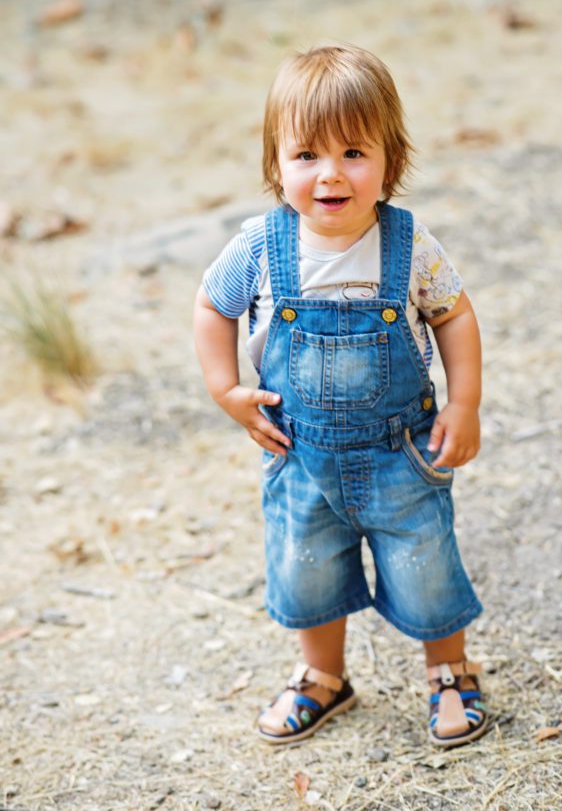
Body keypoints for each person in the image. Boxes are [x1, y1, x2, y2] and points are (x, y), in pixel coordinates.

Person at [194, 44, 487, 748]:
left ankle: (449, 670)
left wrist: (464, 402)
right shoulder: (261, 247)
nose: (330, 174)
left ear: (392, 160)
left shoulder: (408, 245)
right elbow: (212, 306)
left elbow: (454, 315)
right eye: (306, 156)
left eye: (354, 152)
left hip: (400, 452)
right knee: (307, 570)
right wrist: (226, 389)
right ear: (277, 166)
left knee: (426, 565)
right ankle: (323, 675)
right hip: (298, 452)